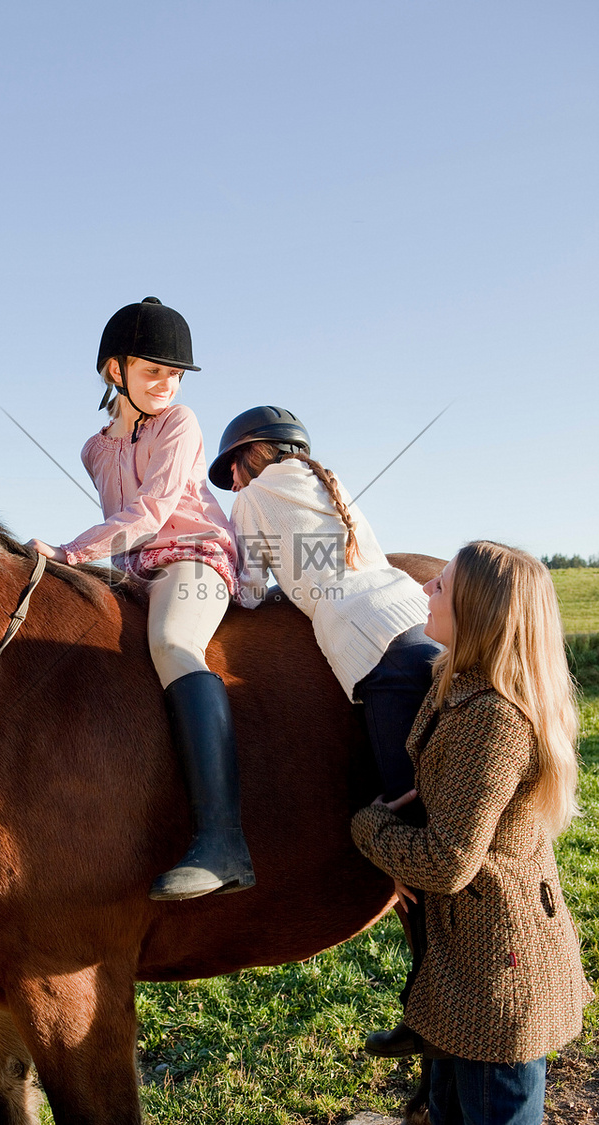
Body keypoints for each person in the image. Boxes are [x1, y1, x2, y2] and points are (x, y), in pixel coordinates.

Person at [210, 405, 441, 1048]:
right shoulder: (327, 482)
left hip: (375, 648)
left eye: (231, 471)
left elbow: (251, 588)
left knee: (413, 816)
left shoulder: (253, 497)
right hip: (414, 620)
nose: (231, 483)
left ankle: (435, 1008)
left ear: (246, 457)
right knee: (437, 800)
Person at [351, 540, 592, 1125]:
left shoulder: (492, 718)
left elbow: (447, 863)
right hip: (472, 958)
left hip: (498, 972)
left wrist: (368, 826)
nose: (424, 589)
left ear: (478, 612)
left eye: (440, 587)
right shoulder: (457, 684)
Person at [27, 297, 255, 901]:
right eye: (154, 371)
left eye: (174, 374)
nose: (167, 384)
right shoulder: (93, 449)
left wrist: (71, 554)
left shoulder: (182, 424)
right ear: (115, 370)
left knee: (173, 642)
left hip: (192, 554)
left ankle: (224, 841)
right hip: (133, 567)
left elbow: (153, 510)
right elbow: (121, 518)